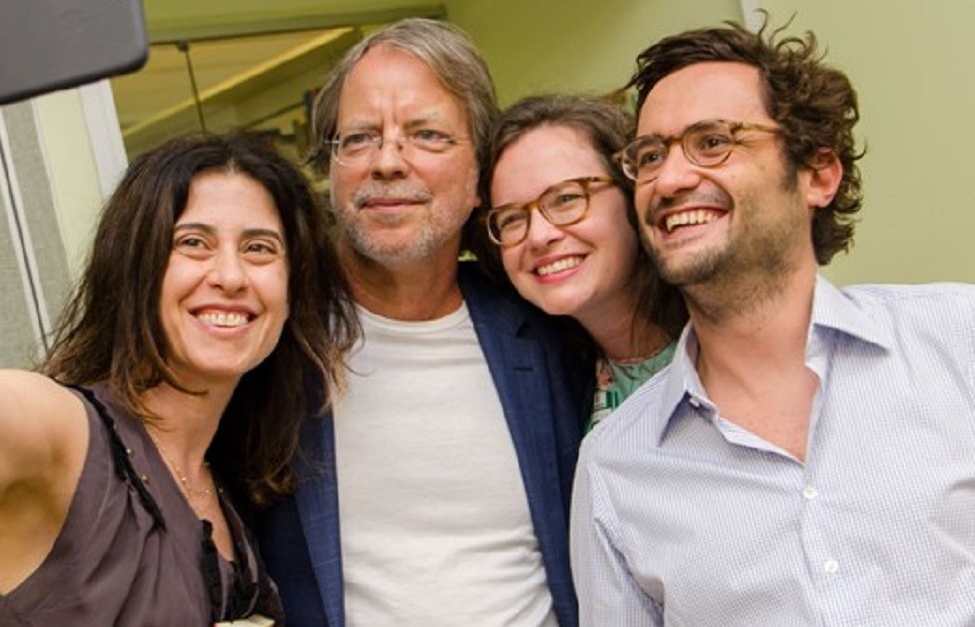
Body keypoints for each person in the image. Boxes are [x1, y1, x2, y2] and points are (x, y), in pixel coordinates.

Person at [0, 0, 358, 624]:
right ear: (134, 269)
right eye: (192, 242)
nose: (231, 276)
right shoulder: (63, 437)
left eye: (260, 249)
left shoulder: (229, 501)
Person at [571, 19, 975, 625]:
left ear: (817, 174)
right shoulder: (614, 466)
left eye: (713, 142)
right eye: (650, 155)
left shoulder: (957, 339)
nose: (671, 179)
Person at [250, 18, 586, 627]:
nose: (386, 162)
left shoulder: (550, 333)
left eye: (426, 135)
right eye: (357, 139)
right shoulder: (271, 345)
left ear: (480, 173)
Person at [479, 94, 686, 434]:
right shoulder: (555, 384)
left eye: (566, 198)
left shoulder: (723, 344)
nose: (539, 235)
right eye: (513, 218)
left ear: (632, 194)